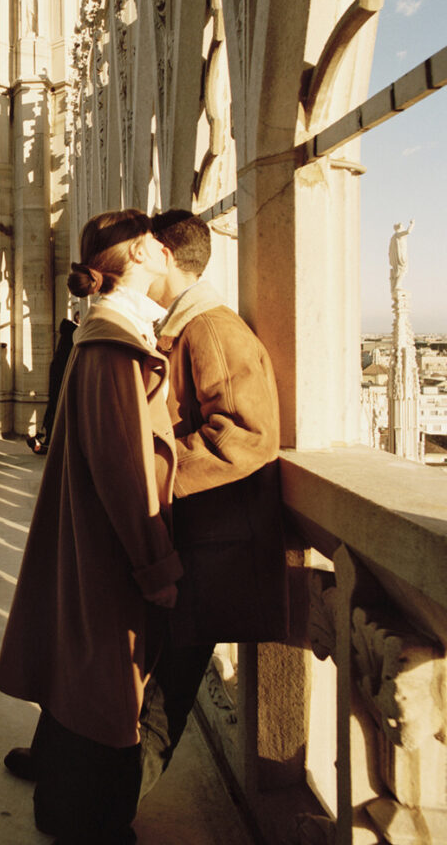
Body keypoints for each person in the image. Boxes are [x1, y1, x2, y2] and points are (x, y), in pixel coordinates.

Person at [0, 209, 178, 844]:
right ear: (137, 257)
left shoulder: (110, 333)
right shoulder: (111, 344)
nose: (162, 247)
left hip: (92, 543)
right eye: (152, 240)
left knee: (82, 671)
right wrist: (156, 568)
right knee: (104, 687)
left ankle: (65, 804)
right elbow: (126, 470)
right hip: (108, 551)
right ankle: (84, 820)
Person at [137, 209, 285, 798]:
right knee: (143, 677)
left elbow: (246, 435)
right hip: (190, 539)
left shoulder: (212, 328)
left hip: (209, 547)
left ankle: (108, 811)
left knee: (165, 693)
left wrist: (151, 472)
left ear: (167, 256)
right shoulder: (185, 325)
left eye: (144, 251)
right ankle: (82, 781)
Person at [25, 313, 80, 456]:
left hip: (58, 381)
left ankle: (46, 440)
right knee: (57, 411)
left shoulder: (66, 339)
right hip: (63, 381)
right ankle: (48, 442)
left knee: (54, 410)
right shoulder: (73, 339)